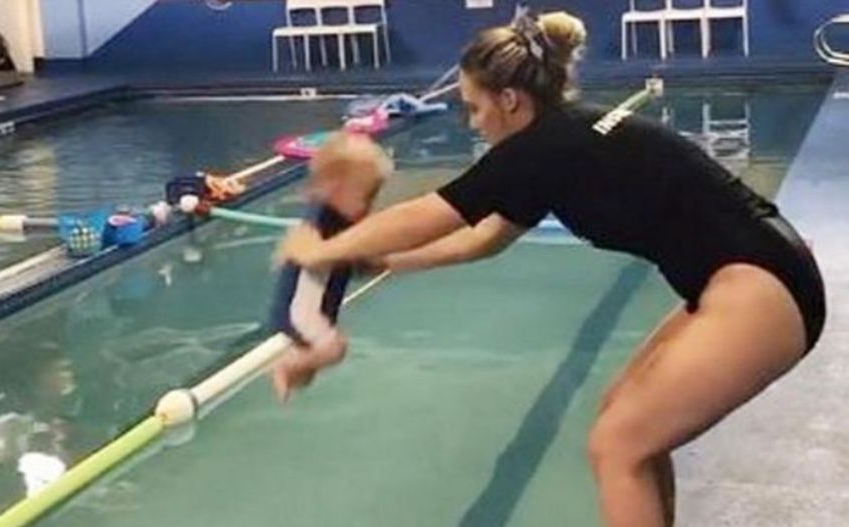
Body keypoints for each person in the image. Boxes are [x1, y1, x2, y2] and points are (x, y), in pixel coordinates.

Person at [276, 10, 826, 527]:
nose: (474, 123)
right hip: (757, 272)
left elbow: (428, 215)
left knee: (618, 445)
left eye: (474, 107)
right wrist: (380, 259)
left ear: (509, 99)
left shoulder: (539, 148)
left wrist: (322, 250)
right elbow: (484, 240)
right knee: (624, 420)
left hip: (759, 283)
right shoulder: (563, 141)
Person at [270, 132, 392, 402]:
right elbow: (307, 246)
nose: (369, 206)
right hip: (299, 311)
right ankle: (284, 366)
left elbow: (352, 257)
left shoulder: (343, 217)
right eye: (366, 196)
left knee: (310, 369)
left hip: (317, 308)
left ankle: (293, 369)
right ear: (333, 187)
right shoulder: (319, 219)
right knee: (334, 348)